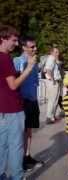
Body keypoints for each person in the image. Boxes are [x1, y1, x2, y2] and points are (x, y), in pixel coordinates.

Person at [0, 24, 36, 180]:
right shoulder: (5, 58)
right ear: (3, 39)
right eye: (13, 40)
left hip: (2, 109)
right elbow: (13, 85)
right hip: (13, 109)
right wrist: (29, 68)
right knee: (16, 146)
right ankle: (17, 176)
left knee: (2, 146)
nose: (16, 44)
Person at [13, 36, 44, 171]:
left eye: (35, 46)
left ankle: (27, 156)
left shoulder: (35, 61)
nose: (35, 49)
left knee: (29, 130)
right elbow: (15, 81)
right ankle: (19, 160)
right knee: (21, 132)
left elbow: (35, 80)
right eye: (32, 47)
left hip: (32, 99)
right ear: (24, 47)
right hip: (22, 100)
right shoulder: (17, 61)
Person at [44, 46, 62, 124]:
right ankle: (49, 117)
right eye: (56, 52)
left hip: (55, 81)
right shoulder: (51, 58)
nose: (57, 54)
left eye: (58, 52)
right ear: (51, 52)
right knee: (52, 99)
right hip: (52, 82)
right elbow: (48, 69)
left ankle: (52, 116)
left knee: (55, 99)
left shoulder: (54, 59)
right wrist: (53, 79)